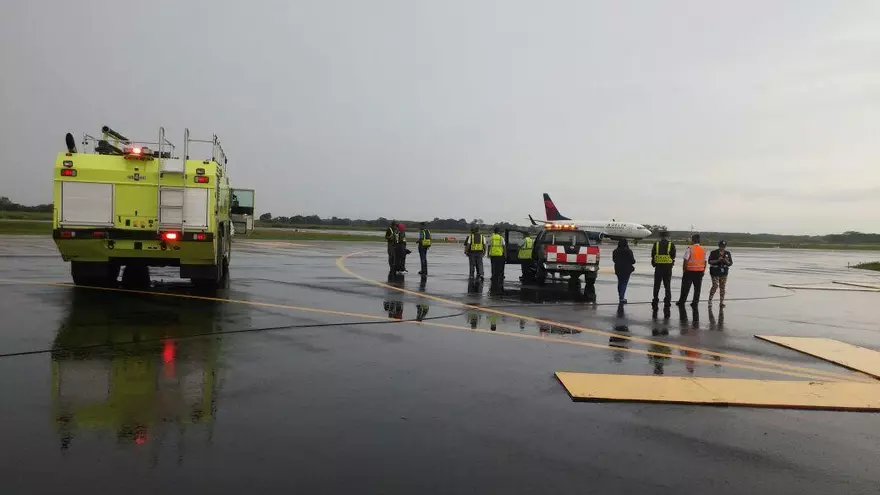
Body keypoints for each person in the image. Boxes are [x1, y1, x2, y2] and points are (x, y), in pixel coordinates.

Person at [677, 234, 707, 308]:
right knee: (697, 289)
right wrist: (703, 270)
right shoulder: (703, 249)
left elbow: (686, 261)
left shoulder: (689, 249)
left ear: (693, 240)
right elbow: (705, 261)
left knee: (685, 288)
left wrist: (684, 270)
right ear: (699, 241)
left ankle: (682, 301)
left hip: (689, 271)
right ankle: (695, 302)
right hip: (700, 271)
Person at [650, 230, 676, 308]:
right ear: (667, 236)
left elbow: (653, 255)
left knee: (657, 285)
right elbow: (673, 256)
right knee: (667, 285)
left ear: (660, 237)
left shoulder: (656, 244)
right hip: (668, 268)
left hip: (658, 267)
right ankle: (667, 301)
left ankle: (655, 299)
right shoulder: (671, 244)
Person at [708, 240, 733, 307]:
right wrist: (717, 260)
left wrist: (726, 261)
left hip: (724, 272)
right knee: (715, 285)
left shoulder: (727, 253)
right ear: (719, 246)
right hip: (715, 272)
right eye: (721, 246)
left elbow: (730, 263)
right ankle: (710, 300)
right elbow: (710, 261)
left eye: (724, 247)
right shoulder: (713, 253)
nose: (722, 248)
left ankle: (721, 302)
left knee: (722, 287)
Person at [612, 238, 636, 304]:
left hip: (618, 268)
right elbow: (633, 261)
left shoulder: (615, 251)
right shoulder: (629, 251)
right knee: (624, 283)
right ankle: (622, 297)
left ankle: (620, 296)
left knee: (620, 282)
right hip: (626, 269)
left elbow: (614, 260)